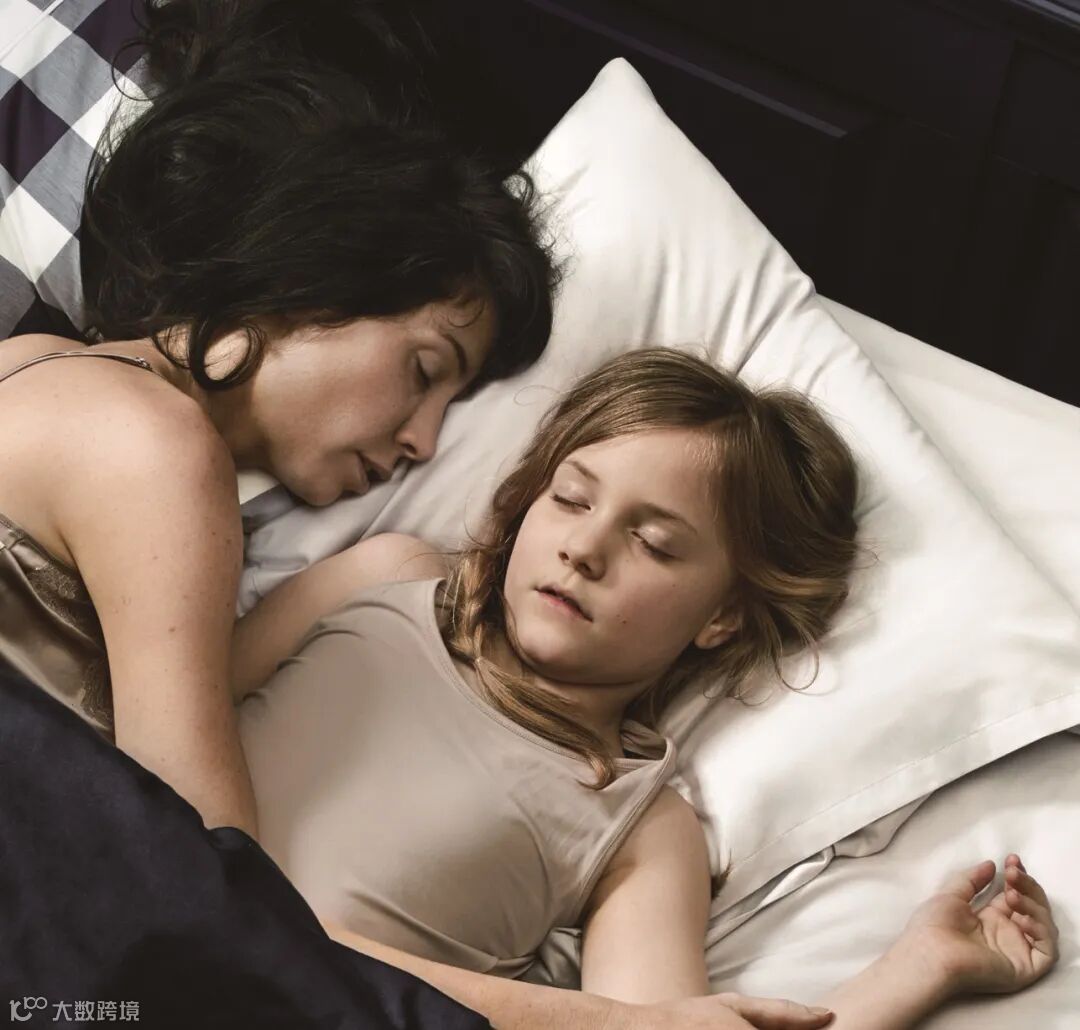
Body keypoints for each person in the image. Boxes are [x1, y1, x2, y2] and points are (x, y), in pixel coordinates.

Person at [230, 347, 1062, 1027]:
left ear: (723, 617)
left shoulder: (637, 823)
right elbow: (170, 719)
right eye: (570, 499)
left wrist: (918, 968)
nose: (584, 549)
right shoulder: (387, 579)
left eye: (655, 544)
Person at [0, 5, 556, 843]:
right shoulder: (156, 451)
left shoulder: (35, 361)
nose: (426, 441)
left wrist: (351, 579)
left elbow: (116, 705)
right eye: (423, 371)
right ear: (315, 284)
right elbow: (197, 866)